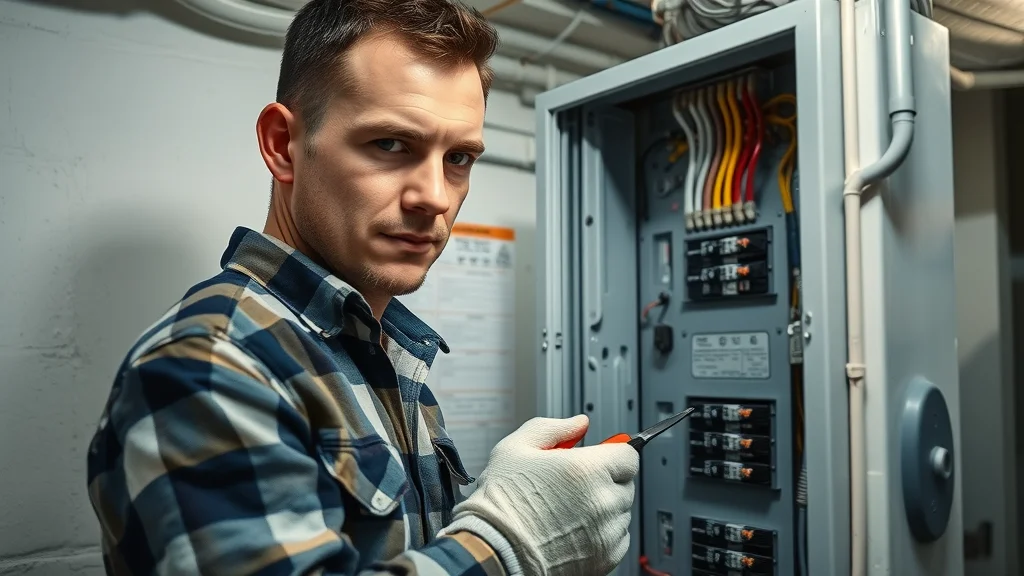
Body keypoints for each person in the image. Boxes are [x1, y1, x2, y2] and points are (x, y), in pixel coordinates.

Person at [85, 0, 640, 574]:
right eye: (390, 144)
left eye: (458, 157)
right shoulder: (209, 368)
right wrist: (513, 541)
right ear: (283, 145)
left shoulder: (379, 351)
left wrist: (503, 503)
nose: (436, 196)